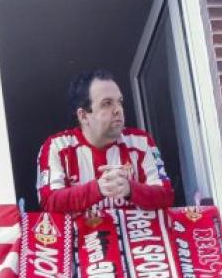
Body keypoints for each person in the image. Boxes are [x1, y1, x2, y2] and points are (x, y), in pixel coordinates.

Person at [35, 70, 174, 216]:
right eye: (107, 103)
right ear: (83, 116)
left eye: (119, 102)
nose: (118, 110)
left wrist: (130, 189)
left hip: (139, 236)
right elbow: (49, 200)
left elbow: (166, 194)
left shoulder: (141, 142)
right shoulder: (57, 147)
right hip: (82, 238)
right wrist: (98, 189)